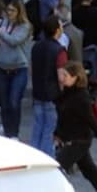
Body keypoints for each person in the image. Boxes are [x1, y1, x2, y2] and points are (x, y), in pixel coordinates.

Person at [55, 62, 97, 191]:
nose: (62, 78)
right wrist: (57, 134)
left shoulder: (81, 97)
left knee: (57, 169)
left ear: (76, 77)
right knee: (90, 172)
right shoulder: (66, 93)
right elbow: (62, 118)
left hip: (79, 141)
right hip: (72, 139)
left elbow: (92, 122)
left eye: (66, 75)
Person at [0, 0, 31, 139]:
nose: (9, 13)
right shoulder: (4, 22)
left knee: (14, 101)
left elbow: (14, 41)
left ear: (19, 12)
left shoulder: (24, 26)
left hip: (19, 68)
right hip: (2, 67)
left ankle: (14, 132)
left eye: (12, 10)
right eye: (8, 10)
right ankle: (7, 131)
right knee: (4, 103)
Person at [31, 16, 68, 157]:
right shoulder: (59, 50)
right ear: (57, 30)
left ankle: (33, 157)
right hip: (52, 95)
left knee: (38, 128)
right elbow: (61, 76)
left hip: (38, 93)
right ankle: (46, 159)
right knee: (49, 130)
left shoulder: (36, 47)